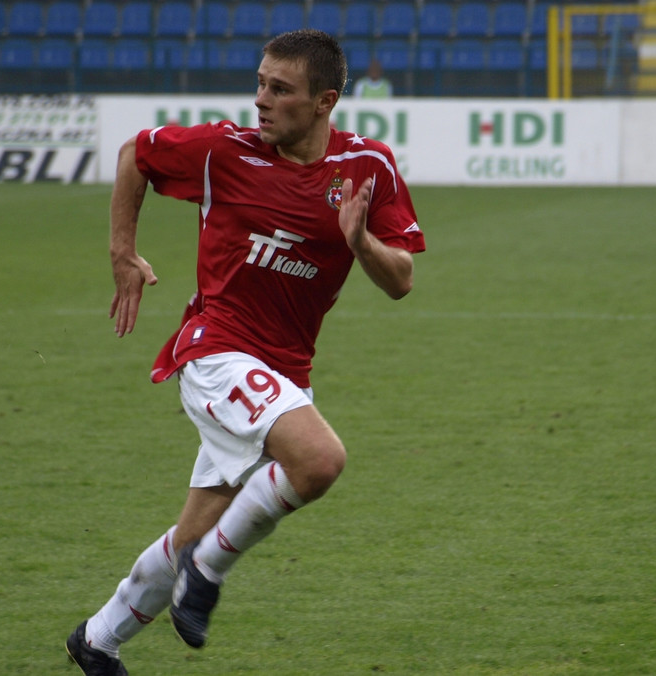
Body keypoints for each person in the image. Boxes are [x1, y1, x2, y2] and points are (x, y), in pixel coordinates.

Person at [65, 29, 425, 676]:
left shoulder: (368, 167)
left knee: (193, 530)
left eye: (280, 89)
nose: (261, 100)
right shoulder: (222, 150)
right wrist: (123, 252)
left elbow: (401, 280)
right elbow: (135, 154)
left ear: (324, 101)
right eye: (260, 83)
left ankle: (98, 638)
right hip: (216, 351)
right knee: (319, 461)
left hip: (286, 370)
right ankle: (208, 572)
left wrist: (360, 243)